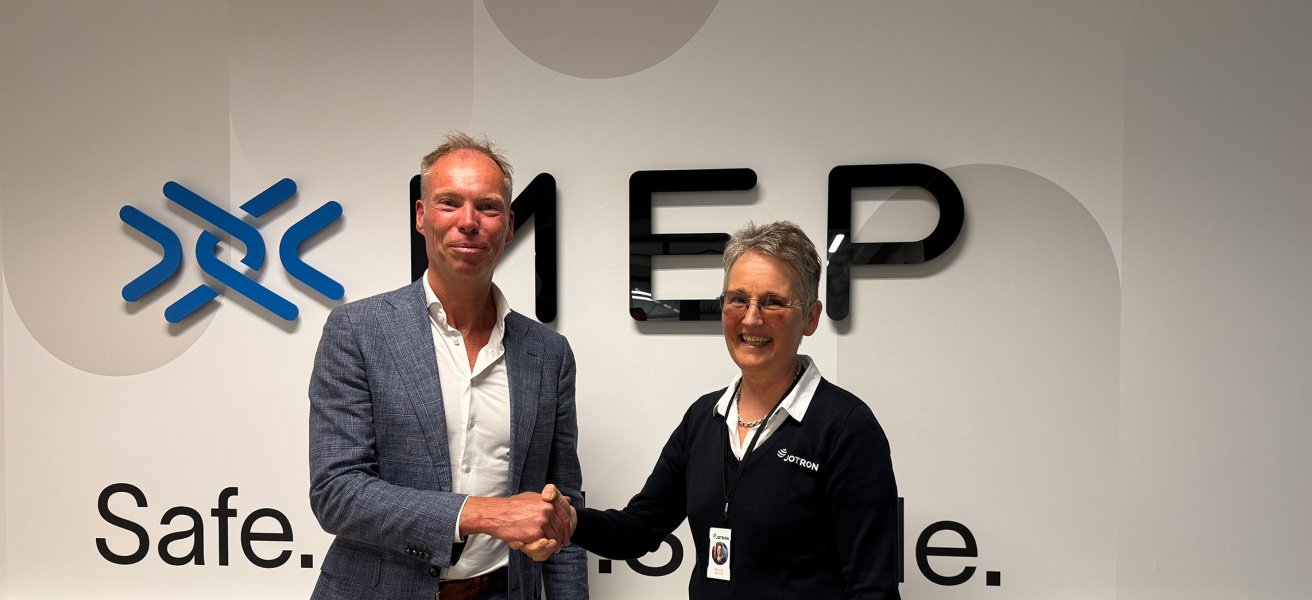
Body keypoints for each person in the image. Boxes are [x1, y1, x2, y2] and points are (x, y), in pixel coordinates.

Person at [522, 221, 899, 599]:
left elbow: (872, 588)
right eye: (738, 299)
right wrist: (572, 521)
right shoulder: (704, 417)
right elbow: (640, 528)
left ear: (811, 318)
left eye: (773, 301)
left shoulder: (846, 427)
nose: (751, 318)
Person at [308, 133, 587, 600]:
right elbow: (337, 492)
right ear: (421, 216)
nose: (468, 221)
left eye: (488, 207)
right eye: (449, 203)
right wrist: (484, 514)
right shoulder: (358, 330)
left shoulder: (549, 354)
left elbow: (564, 510)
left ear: (509, 225)